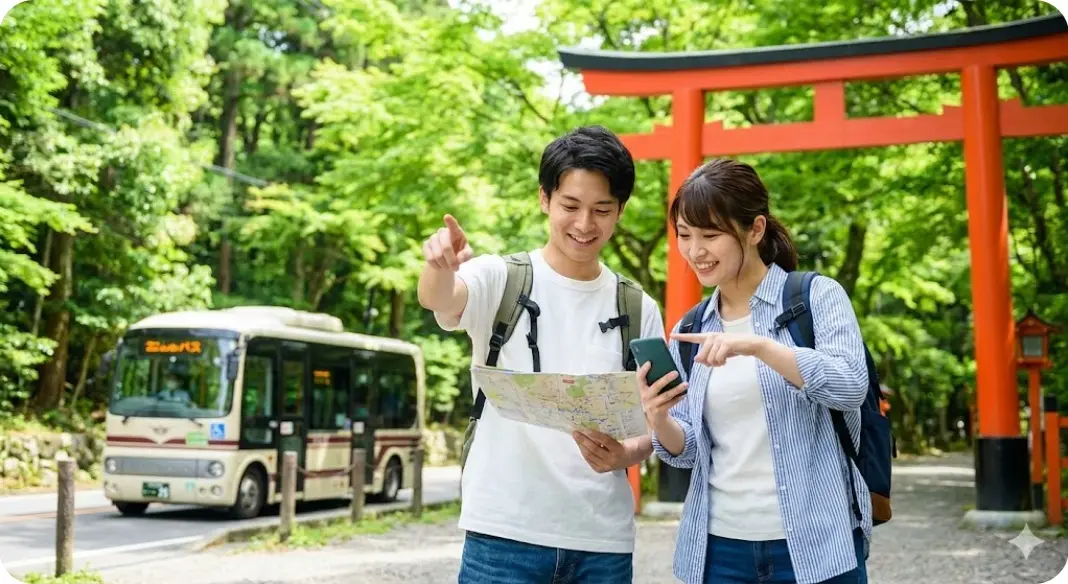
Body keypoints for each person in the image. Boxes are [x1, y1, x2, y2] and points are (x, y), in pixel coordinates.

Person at [418, 125, 665, 583]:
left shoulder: (638, 308)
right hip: (502, 535)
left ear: (620, 211)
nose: (584, 224)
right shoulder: (500, 278)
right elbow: (440, 299)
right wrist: (438, 265)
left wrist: (626, 454)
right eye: (570, 206)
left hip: (601, 544)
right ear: (544, 199)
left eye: (601, 210)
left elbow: (661, 422)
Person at [638, 158, 871, 584]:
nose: (695, 251)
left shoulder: (816, 297)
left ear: (756, 229)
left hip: (815, 542)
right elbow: (686, 450)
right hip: (719, 551)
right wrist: (659, 417)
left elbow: (851, 386)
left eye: (710, 235)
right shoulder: (691, 328)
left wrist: (760, 346)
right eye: (685, 235)